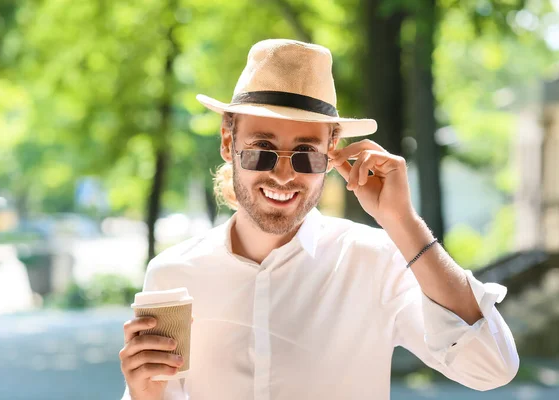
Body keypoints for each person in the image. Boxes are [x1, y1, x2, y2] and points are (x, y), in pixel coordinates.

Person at [119, 39, 519, 400]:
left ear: (331, 154)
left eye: (306, 154)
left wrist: (402, 221)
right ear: (228, 142)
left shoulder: (375, 261)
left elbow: (491, 368)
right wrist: (143, 394)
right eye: (262, 150)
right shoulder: (173, 275)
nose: (283, 175)